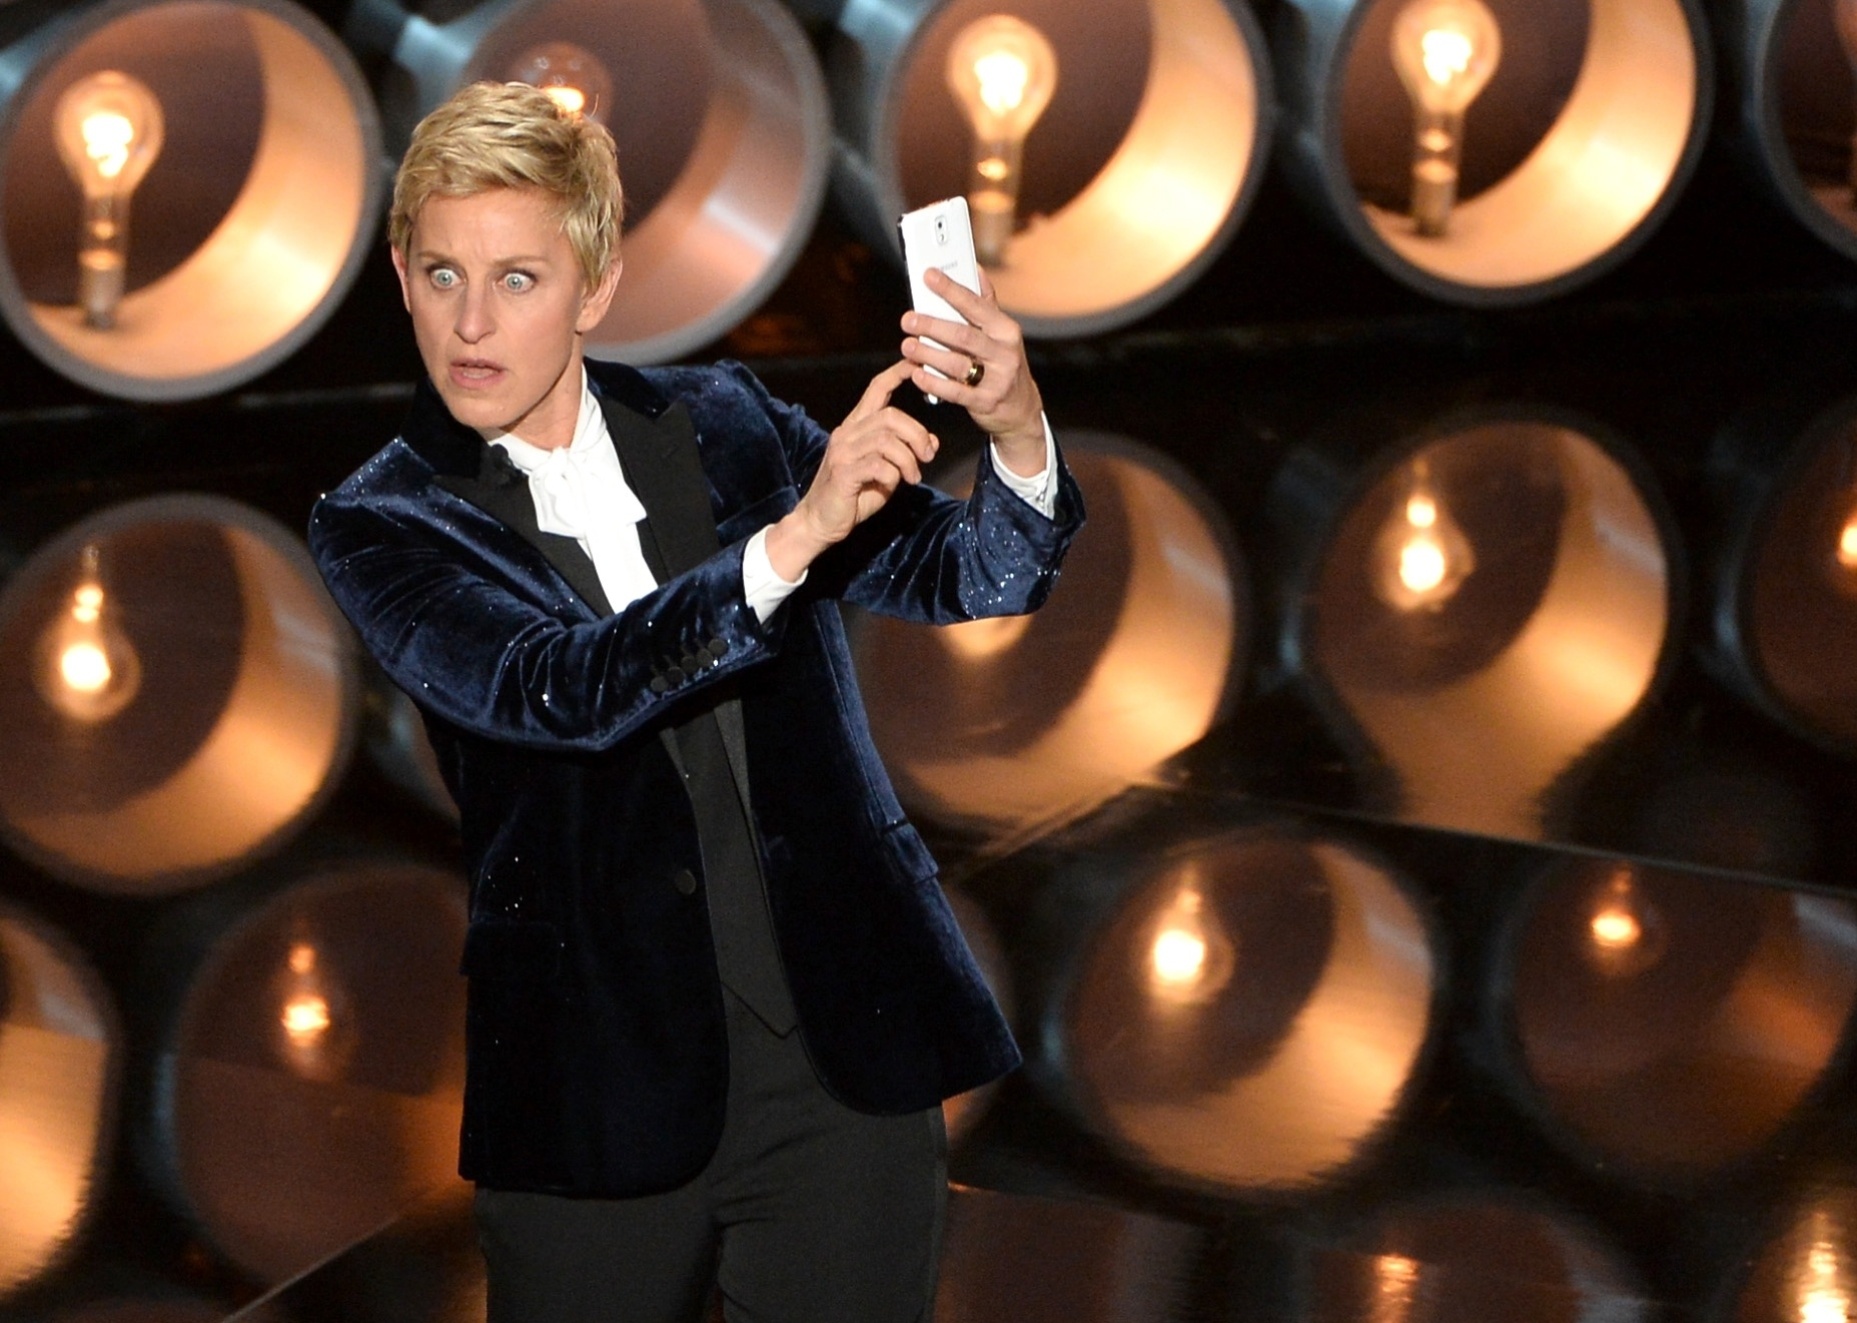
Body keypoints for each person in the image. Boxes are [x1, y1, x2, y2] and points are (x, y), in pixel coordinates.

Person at [307, 81, 1082, 1322]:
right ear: (400, 276)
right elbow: (560, 689)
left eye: (517, 279)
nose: (470, 322)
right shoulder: (380, 519)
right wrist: (793, 540)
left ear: (595, 288)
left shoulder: (727, 423)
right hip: (590, 1088)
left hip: (840, 1055)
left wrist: (1018, 427)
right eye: (442, 275)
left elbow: (975, 573)